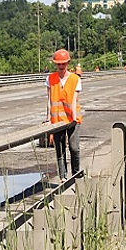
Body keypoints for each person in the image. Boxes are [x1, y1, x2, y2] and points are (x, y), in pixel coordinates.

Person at [46, 49, 82, 182]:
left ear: (68, 63)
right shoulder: (50, 79)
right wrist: (48, 119)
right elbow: (49, 100)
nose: (61, 67)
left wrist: (73, 118)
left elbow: (73, 99)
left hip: (72, 119)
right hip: (57, 120)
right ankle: (62, 176)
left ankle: (76, 174)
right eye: (58, 64)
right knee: (60, 149)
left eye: (63, 64)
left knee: (74, 148)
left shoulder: (75, 79)